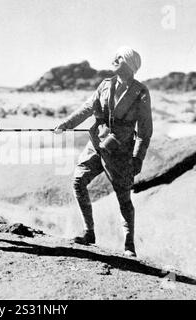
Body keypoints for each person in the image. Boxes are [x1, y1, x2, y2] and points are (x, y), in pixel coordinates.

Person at [54, 46, 153, 257]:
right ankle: (89, 232)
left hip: (120, 152)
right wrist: (65, 124)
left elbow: (145, 131)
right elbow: (87, 108)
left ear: (129, 65)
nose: (115, 59)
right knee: (78, 181)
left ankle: (129, 245)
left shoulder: (140, 92)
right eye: (116, 56)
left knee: (123, 198)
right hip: (97, 144)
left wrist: (137, 158)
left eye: (120, 58)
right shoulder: (105, 85)